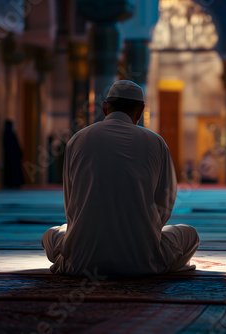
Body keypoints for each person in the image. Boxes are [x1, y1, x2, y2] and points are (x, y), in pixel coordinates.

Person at [42, 80, 199, 277]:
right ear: (140, 110)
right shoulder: (156, 142)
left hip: (82, 262)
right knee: (189, 234)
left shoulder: (77, 140)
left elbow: (71, 203)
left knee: (52, 234)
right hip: (143, 261)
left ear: (105, 107)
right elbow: (165, 203)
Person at [2, 120, 24, 188]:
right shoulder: (12, 134)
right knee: (15, 171)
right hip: (14, 157)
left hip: (8, 158)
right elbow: (17, 147)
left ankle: (9, 183)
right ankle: (15, 183)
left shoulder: (5, 134)